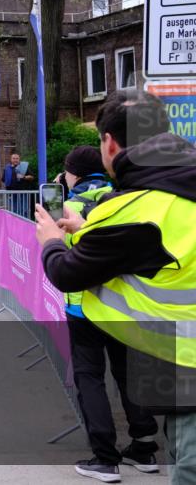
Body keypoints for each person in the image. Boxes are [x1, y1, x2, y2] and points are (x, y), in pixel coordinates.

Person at [36, 89, 195, 484]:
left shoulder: (128, 210)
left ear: (109, 143)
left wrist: (51, 241)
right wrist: (89, 228)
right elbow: (154, 245)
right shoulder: (175, 189)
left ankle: (108, 454)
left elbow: (68, 273)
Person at [51, 144, 161, 480]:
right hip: (124, 305)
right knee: (128, 373)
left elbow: (58, 250)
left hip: (85, 305)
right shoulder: (124, 197)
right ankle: (143, 449)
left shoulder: (68, 204)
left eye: (67, 171)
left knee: (90, 377)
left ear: (75, 174)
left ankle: (104, 457)